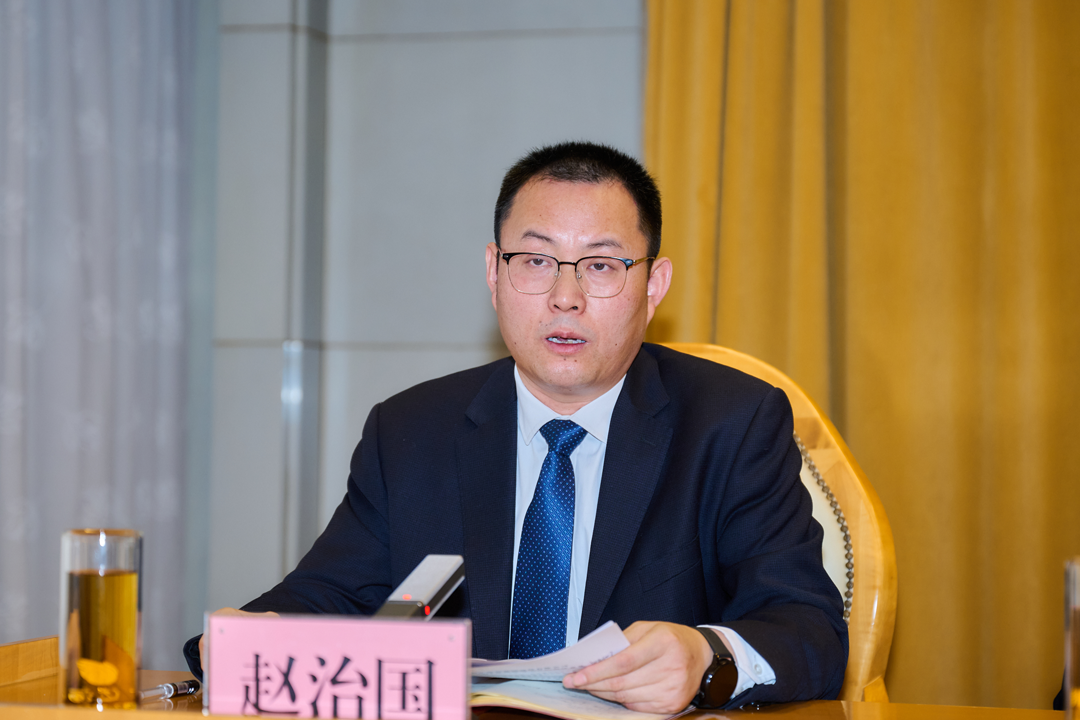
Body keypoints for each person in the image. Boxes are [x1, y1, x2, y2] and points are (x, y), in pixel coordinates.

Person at [186, 142, 847, 712]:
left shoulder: (730, 423)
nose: (565, 297)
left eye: (601, 265)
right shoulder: (412, 431)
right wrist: (246, 637)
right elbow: (327, 598)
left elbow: (808, 629)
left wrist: (707, 656)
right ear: (493, 274)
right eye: (535, 261)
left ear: (653, 286)